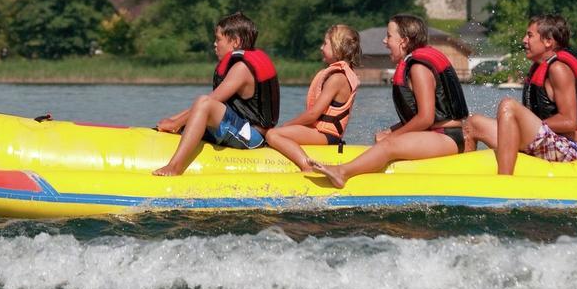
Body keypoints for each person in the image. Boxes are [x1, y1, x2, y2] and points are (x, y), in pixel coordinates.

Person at [309, 14, 468, 188]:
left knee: (389, 144)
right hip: (437, 134)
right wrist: (389, 130)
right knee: (386, 138)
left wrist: (392, 136)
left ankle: (342, 173)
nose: (385, 41)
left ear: (404, 41)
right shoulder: (414, 65)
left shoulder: (418, 68)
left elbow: (426, 118)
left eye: (389, 36)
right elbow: (421, 118)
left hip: (446, 137)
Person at [463, 14, 577, 175]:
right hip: (543, 140)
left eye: (530, 35)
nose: (524, 40)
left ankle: (504, 182)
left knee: (508, 106)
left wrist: (524, 125)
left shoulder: (558, 69)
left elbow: (569, 121)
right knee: (473, 124)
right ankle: (464, 177)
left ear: (548, 41)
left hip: (564, 149)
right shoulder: (541, 68)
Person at [153, 12, 279, 176]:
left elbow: (210, 102)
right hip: (239, 126)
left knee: (204, 102)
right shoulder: (239, 65)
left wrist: (176, 123)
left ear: (235, 42)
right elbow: (204, 106)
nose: (215, 44)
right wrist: (174, 120)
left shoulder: (241, 69)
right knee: (202, 104)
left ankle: (175, 167)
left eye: (218, 39)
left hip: (251, 136)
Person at [265, 24, 361, 171]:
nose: (321, 48)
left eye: (325, 43)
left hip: (326, 136)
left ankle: (307, 166)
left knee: (273, 134)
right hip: (321, 133)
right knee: (278, 133)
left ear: (337, 46)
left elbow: (312, 114)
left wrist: (287, 126)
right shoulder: (337, 74)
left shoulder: (338, 78)